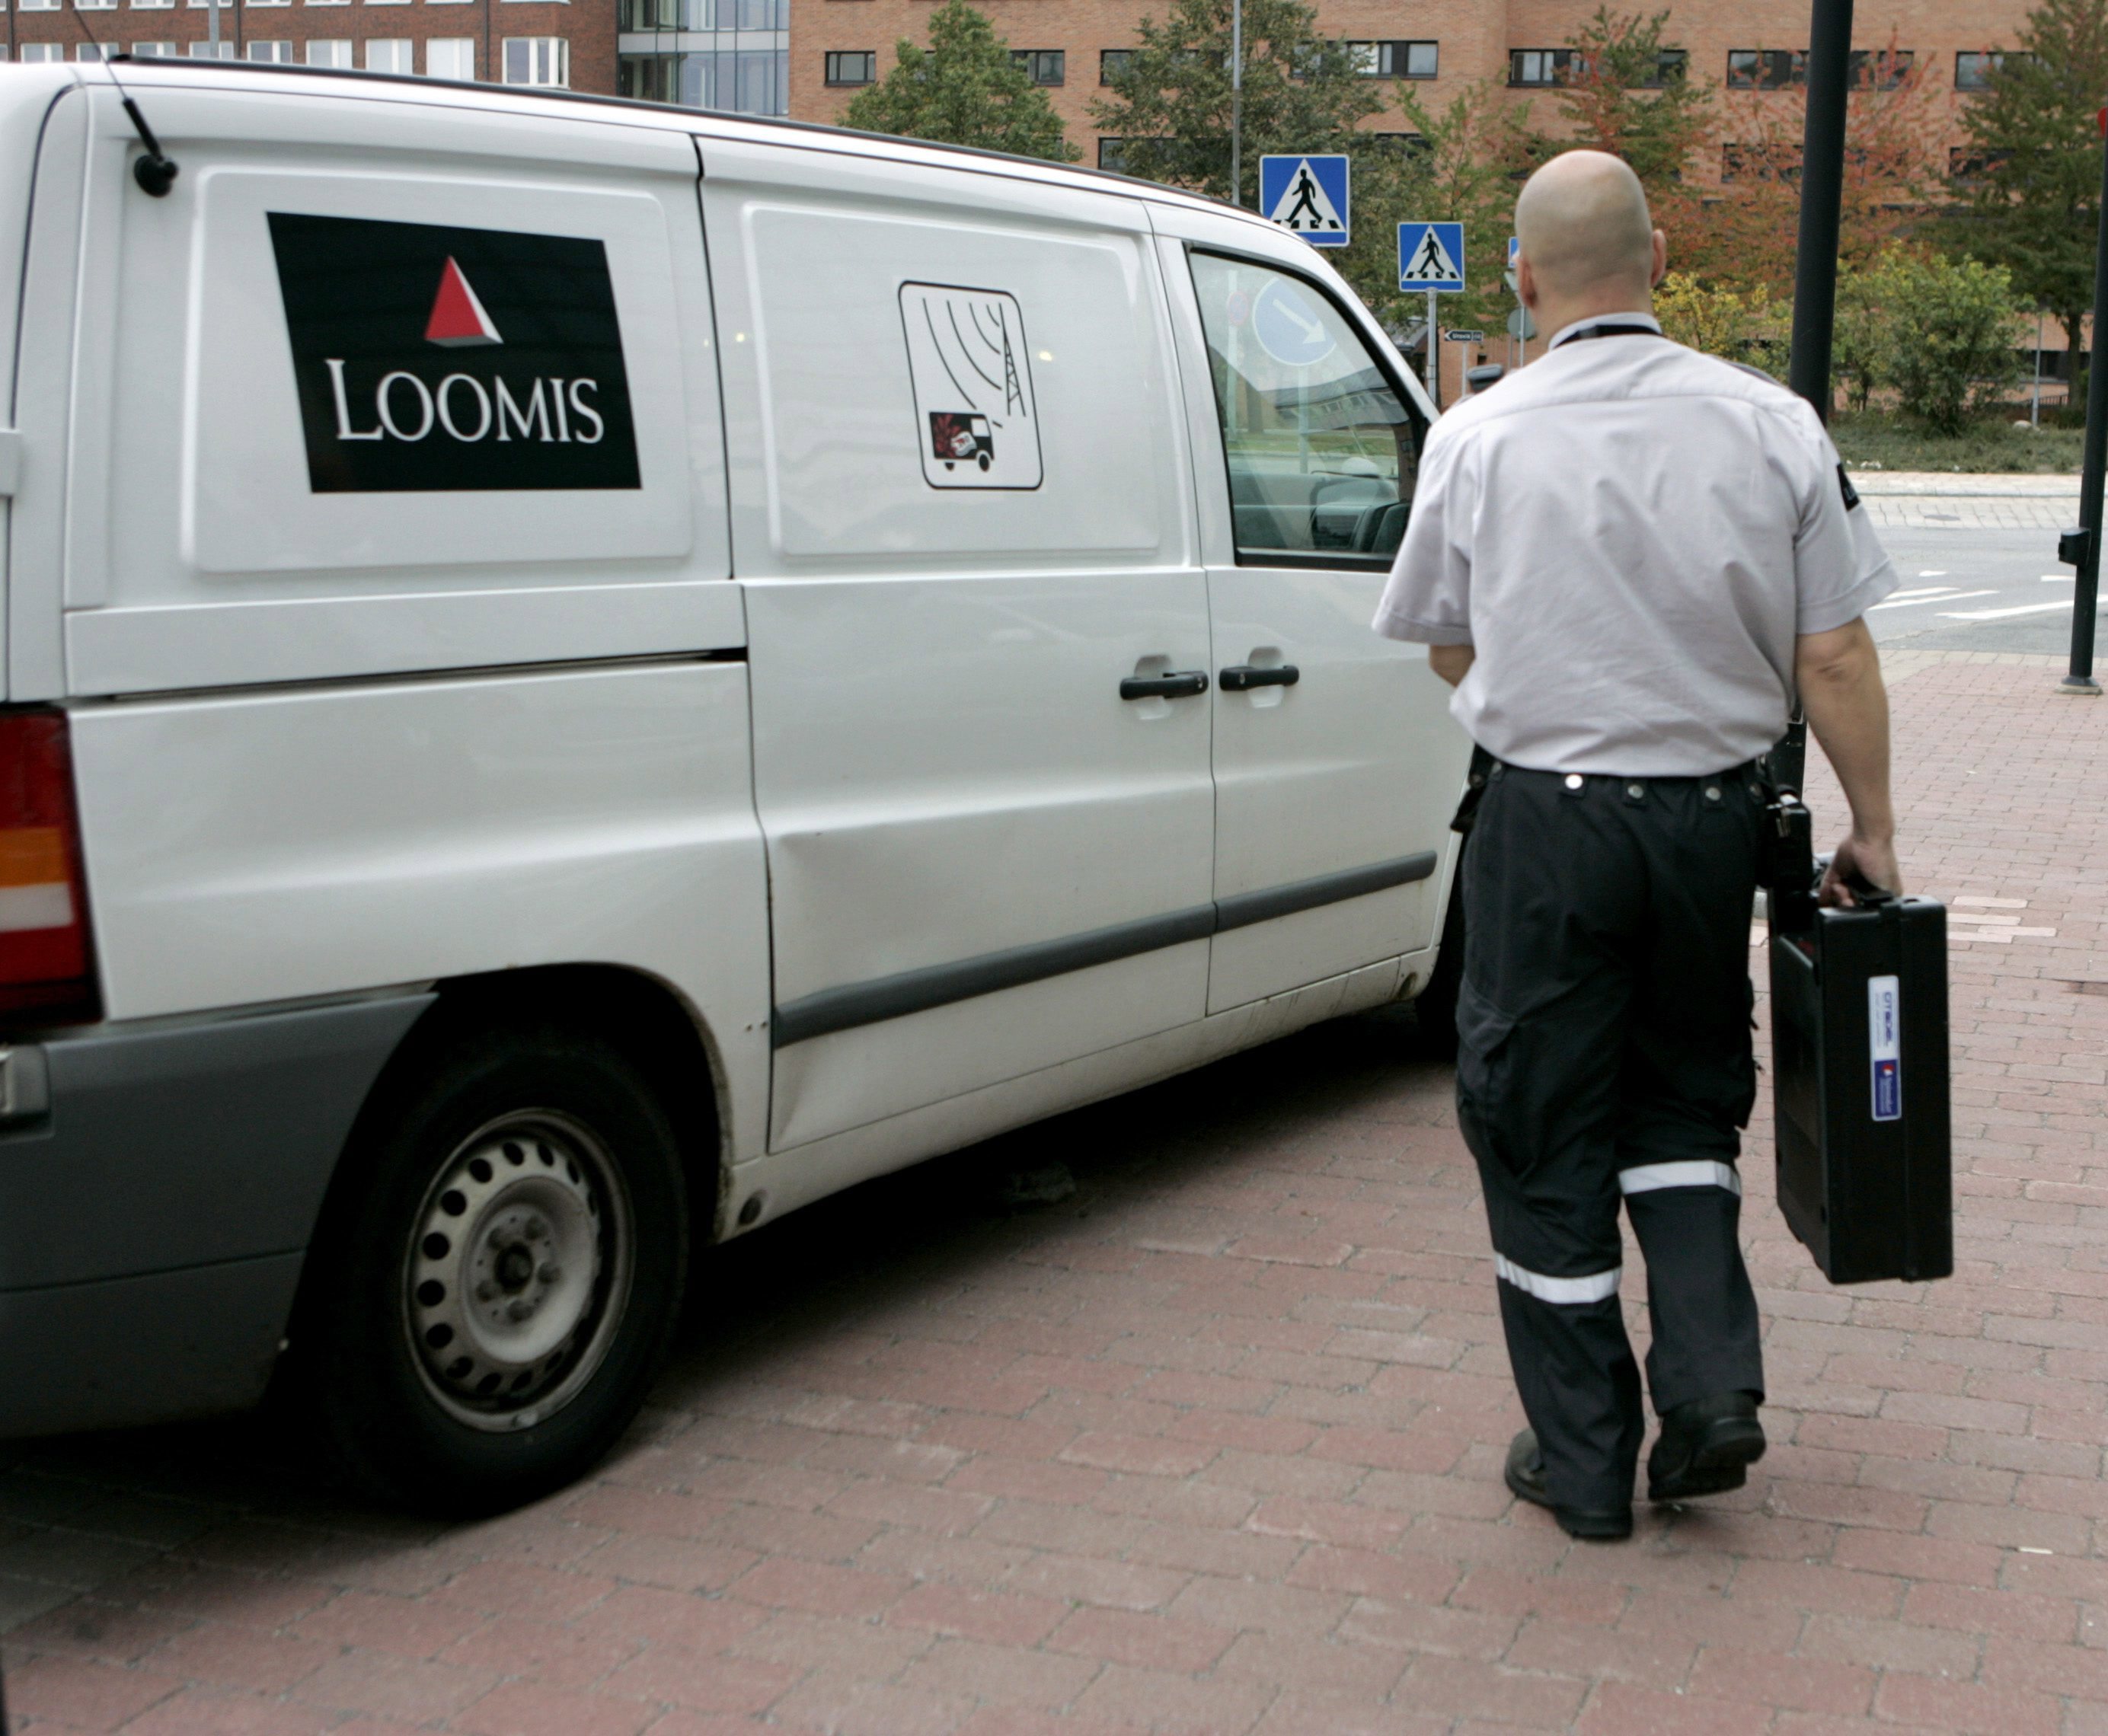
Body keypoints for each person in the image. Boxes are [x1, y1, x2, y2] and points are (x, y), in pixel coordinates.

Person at [1373, 150, 1900, 1541]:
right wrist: (1878, 829)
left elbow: (1444, 643)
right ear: (1660, 262)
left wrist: (1553, 687)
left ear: (1524, 279)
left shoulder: (1478, 436)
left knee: (1542, 1120)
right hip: (1713, 826)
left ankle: (1587, 1462)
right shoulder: (1771, 422)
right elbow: (1835, 650)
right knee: (1681, 1103)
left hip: (1548, 825)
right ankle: (1714, 1391)